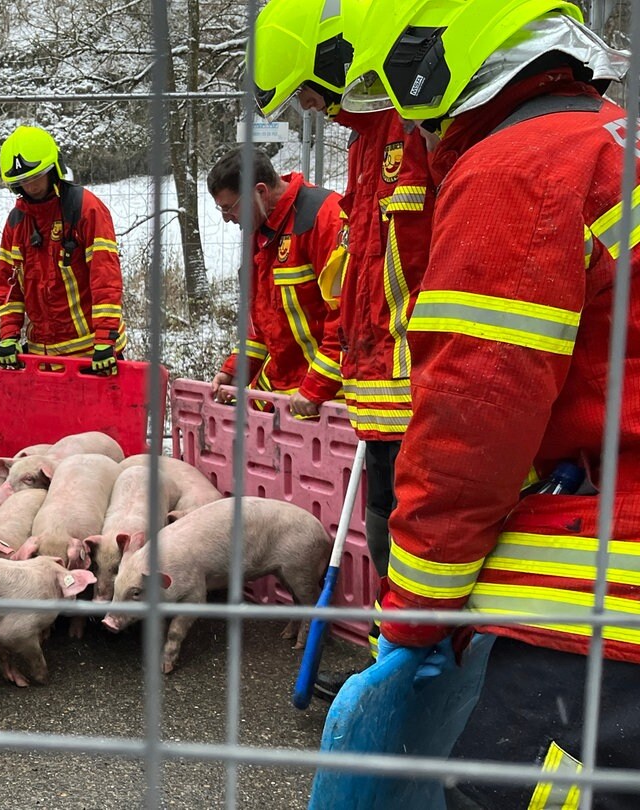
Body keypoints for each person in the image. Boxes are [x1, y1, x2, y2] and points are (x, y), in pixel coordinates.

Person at [345, 1, 636, 806]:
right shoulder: (613, 139)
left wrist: (411, 619)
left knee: (496, 789)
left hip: (610, 604)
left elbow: (472, 427)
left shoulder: (522, 171)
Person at [250, 0, 436, 699]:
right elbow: (356, 288)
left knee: (414, 539)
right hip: (378, 396)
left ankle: (405, 673)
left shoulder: (419, 128)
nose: (311, 108)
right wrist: (328, 384)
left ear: (337, 62)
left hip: (421, 393)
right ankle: (391, 667)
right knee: (390, 533)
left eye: (306, 90)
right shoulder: (367, 142)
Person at [207, 148, 344, 416]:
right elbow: (262, 323)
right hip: (284, 392)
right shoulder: (259, 231)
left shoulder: (323, 219)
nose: (226, 218)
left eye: (229, 208)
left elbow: (347, 322)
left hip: (329, 397)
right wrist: (235, 371)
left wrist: (316, 386)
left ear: (259, 192)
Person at [0, 125, 126, 375]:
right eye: (23, 180)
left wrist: (105, 340)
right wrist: (9, 336)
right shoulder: (16, 222)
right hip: (41, 358)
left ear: (53, 169)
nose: (31, 186)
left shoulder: (86, 209)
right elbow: (9, 286)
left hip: (92, 356)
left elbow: (105, 278)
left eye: (36, 176)